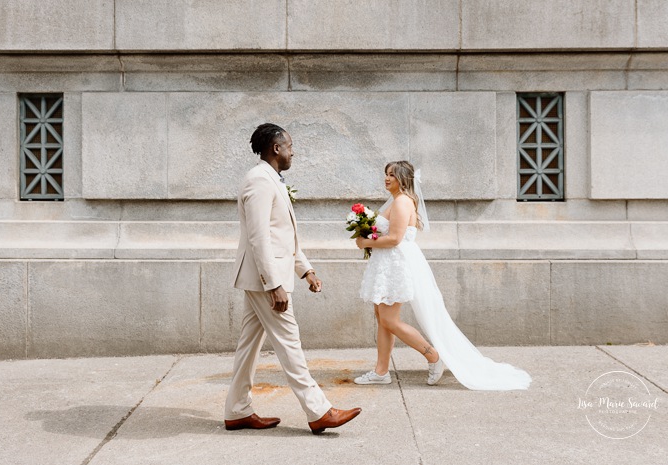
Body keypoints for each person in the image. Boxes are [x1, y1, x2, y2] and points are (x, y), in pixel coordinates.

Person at [225, 123, 361, 434]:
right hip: (265, 280)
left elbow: (281, 235)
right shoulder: (259, 181)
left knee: (248, 346)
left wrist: (306, 270)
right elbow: (259, 238)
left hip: (263, 276)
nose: (292, 151)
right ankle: (319, 411)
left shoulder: (270, 180)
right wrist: (275, 285)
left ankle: (236, 410)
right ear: (276, 149)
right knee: (290, 343)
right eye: (289, 146)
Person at [354, 161, 532, 390]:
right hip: (387, 264)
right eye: (386, 174)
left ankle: (432, 356)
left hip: (394, 265)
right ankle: (381, 371)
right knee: (382, 318)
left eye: (392, 175)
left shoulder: (401, 203)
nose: (387, 178)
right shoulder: (399, 200)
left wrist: (364, 242)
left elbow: (396, 238)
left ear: (403, 178)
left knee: (390, 320)